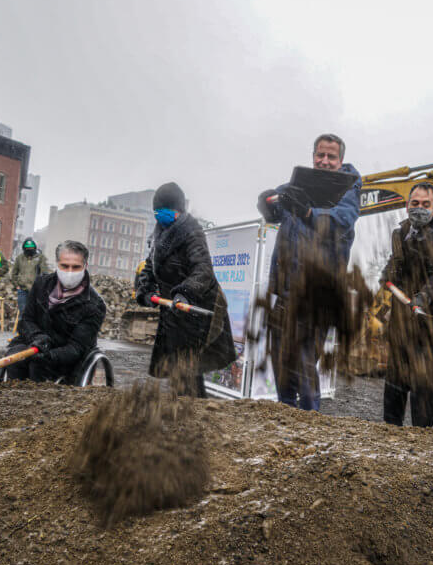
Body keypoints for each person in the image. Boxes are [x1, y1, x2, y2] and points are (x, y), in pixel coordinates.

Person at [256, 133, 361, 411]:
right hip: (287, 290)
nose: (324, 161)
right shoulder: (298, 185)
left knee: (302, 362)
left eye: (331, 156)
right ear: (313, 156)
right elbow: (273, 207)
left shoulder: (347, 190)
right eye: (320, 155)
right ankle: (285, 417)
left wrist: (308, 214)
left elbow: (342, 221)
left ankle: (311, 424)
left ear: (340, 160)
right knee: (281, 360)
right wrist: (266, 200)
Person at [135, 182, 236, 397]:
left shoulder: (192, 233)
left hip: (196, 309)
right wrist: (145, 289)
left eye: (167, 211)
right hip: (173, 311)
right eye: (157, 212)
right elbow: (150, 266)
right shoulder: (158, 234)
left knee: (188, 368)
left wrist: (185, 292)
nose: (160, 216)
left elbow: (203, 271)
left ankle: (193, 414)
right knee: (177, 368)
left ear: (179, 211)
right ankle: (182, 411)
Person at [380, 182, 433, 427]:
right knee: (395, 378)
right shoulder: (401, 232)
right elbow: (396, 262)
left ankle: (421, 437)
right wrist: (387, 274)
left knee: (423, 385)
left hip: (431, 321)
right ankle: (390, 431)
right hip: (402, 319)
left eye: (425, 204)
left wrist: (423, 297)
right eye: (415, 203)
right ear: (407, 206)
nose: (419, 209)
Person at [5, 240, 106, 382]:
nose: (69, 272)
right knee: (15, 358)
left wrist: (48, 355)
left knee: (38, 365)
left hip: (67, 356)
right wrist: (37, 337)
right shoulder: (41, 284)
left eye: (76, 267)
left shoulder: (95, 304)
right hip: (34, 343)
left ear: (85, 266)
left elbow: (77, 347)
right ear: (57, 264)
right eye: (65, 266)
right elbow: (26, 320)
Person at [10, 237, 48, 329]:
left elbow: (45, 273)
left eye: (31, 248)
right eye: (27, 248)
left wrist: (41, 285)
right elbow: (14, 273)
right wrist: (17, 285)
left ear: (35, 248)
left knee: (35, 313)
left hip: (36, 290)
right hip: (22, 290)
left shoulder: (41, 258)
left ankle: (33, 334)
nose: (29, 250)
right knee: (23, 312)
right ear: (24, 248)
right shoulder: (20, 258)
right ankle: (21, 335)